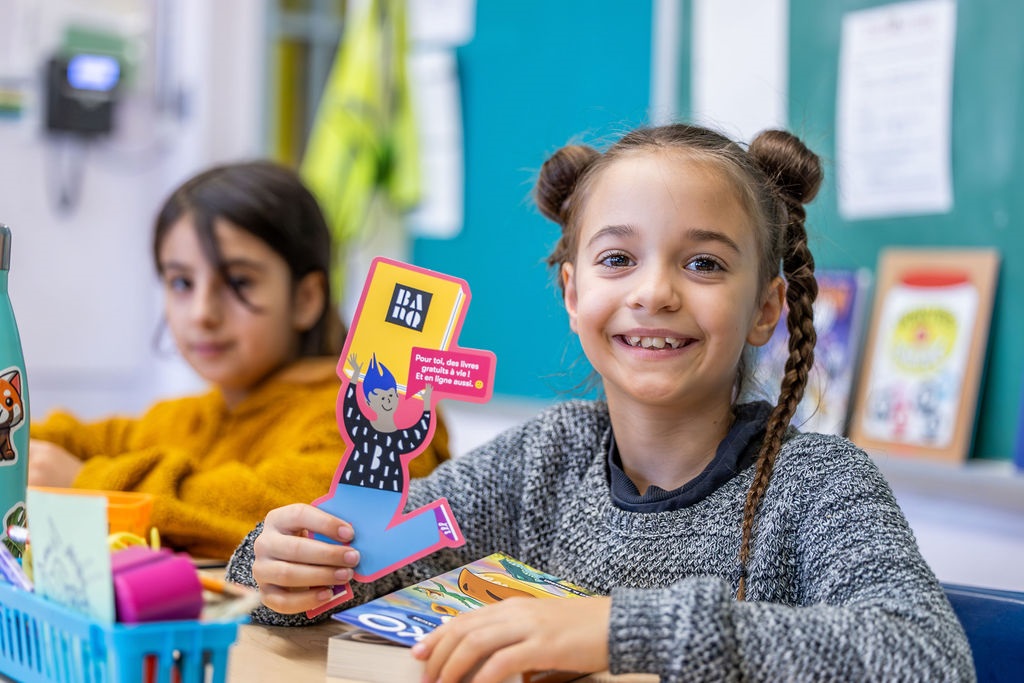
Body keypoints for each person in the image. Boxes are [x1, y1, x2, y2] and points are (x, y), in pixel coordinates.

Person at [224, 125, 974, 681]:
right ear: (574, 293)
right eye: (618, 258)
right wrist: (286, 564)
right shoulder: (543, 459)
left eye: (704, 262)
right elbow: (359, 560)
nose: (654, 292)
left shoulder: (816, 483)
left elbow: (926, 656)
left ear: (765, 308)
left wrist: (621, 628)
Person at [28, 161, 451, 560]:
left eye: (237, 281)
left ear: (306, 299)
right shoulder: (188, 417)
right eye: (181, 282)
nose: (201, 313)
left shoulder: (368, 417)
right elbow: (76, 440)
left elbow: (294, 513)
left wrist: (90, 485)